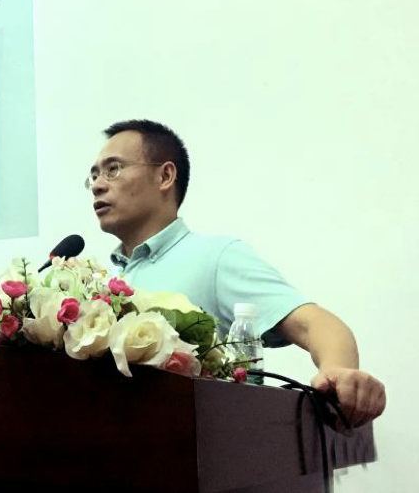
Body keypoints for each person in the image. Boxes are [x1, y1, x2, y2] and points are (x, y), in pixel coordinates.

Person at [88, 119, 385, 427]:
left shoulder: (214, 257)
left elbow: (314, 324)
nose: (97, 185)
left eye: (114, 169)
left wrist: (340, 374)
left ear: (165, 176)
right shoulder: (107, 281)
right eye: (94, 175)